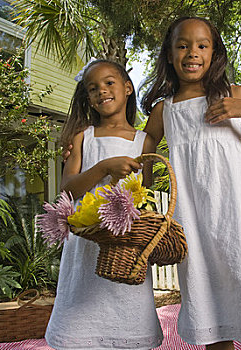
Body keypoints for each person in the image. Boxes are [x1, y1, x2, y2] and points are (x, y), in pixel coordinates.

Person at [140, 17, 241, 350]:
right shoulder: (164, 110)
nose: (192, 53)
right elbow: (145, 152)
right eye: (182, 45)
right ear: (169, 54)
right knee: (211, 314)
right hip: (194, 225)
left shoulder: (234, 95)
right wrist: (144, 201)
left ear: (214, 53)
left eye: (202, 45)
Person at [45, 59, 163, 350]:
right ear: (88, 98)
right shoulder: (82, 138)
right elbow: (67, 188)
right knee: (82, 311)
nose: (102, 91)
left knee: (126, 306)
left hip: (125, 242)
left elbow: (145, 194)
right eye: (93, 88)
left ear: (127, 88)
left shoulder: (145, 141)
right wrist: (104, 168)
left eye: (109, 83)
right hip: (87, 240)